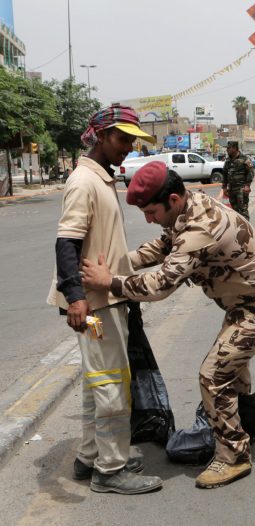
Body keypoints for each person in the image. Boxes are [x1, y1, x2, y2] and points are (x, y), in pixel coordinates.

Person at [81, 161, 255, 489]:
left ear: (174, 200)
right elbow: (163, 246)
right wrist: (121, 261)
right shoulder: (188, 211)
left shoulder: (201, 228)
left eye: (151, 212)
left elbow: (160, 285)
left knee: (214, 375)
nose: (149, 219)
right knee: (231, 373)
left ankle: (234, 456)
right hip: (246, 303)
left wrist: (111, 281)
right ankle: (244, 424)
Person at [47, 104, 163, 495]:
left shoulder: (102, 179)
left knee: (97, 383)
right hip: (95, 302)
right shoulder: (84, 181)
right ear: (100, 135)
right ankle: (110, 469)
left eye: (132, 139)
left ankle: (89, 456)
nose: (128, 146)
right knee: (113, 383)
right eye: (121, 138)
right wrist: (75, 297)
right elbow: (67, 242)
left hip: (106, 297)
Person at [222, 140, 254, 220]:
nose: (227, 150)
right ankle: (238, 230)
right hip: (231, 190)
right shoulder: (228, 161)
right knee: (235, 212)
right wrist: (224, 187)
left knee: (243, 211)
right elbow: (225, 174)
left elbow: (251, 172)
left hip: (241, 189)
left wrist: (247, 185)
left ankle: (247, 230)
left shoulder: (245, 159)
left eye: (229, 148)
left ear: (235, 148)